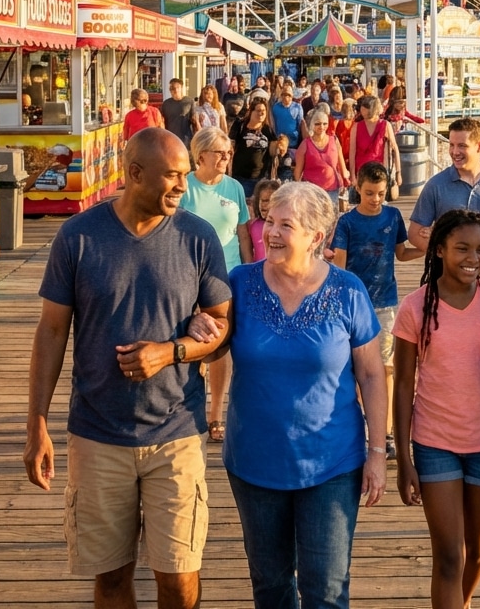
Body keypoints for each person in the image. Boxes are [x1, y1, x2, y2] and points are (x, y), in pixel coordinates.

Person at [23, 128, 233, 609]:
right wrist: (37, 425)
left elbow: (223, 327)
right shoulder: (78, 236)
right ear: (135, 174)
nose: (183, 186)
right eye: (173, 176)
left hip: (177, 432)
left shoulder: (197, 237)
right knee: (111, 578)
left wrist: (171, 351)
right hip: (97, 434)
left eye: (185, 175)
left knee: (179, 579)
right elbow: (51, 332)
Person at [190, 182, 387, 609]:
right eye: (270, 222)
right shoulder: (239, 284)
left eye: (286, 225)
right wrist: (198, 327)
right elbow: (214, 347)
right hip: (254, 462)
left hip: (331, 463)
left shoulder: (348, 290)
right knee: (271, 586)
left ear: (316, 237)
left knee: (326, 590)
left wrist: (377, 452)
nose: (271, 233)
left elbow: (372, 375)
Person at [393, 209, 480, 609]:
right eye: (462, 248)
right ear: (439, 250)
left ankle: (463, 602)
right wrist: (404, 460)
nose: (474, 258)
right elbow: (402, 385)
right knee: (450, 555)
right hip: (434, 443)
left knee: (478, 552)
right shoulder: (415, 307)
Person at [332, 161, 423, 458]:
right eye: (369, 193)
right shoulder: (346, 222)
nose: (375, 199)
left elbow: (402, 253)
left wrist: (430, 247)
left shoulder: (393, 216)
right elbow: (340, 267)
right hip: (354, 305)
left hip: (385, 303)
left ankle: (385, 432)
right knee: (351, 367)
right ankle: (356, 427)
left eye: (381, 193)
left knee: (385, 367)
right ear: (358, 188)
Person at [179, 127, 253, 446]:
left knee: (220, 344)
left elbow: (243, 234)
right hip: (189, 276)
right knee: (193, 341)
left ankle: (216, 413)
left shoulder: (234, 187)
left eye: (228, 153)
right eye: (220, 153)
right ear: (201, 155)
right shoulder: (185, 187)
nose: (225, 157)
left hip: (228, 275)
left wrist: (250, 272)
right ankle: (189, 407)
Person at [408, 118, 480, 282]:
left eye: (462, 146)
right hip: (447, 281)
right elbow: (414, 234)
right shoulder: (435, 185)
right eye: (451, 145)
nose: (455, 152)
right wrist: (440, 244)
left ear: (479, 146)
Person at [295, 105, 350, 206]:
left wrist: (345, 181)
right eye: (318, 124)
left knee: (331, 215)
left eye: (325, 123)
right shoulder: (305, 144)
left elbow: (342, 165)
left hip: (332, 189)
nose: (321, 127)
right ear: (312, 125)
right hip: (311, 191)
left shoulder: (334, 140)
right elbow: (297, 173)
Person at [349, 94, 401, 189]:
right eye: (362, 108)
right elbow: (352, 152)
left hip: (379, 172)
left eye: (365, 108)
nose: (362, 111)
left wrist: (398, 172)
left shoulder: (385, 125)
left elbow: (395, 148)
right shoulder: (356, 127)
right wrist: (352, 175)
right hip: (362, 172)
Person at [229, 97, 276, 198]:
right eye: (258, 110)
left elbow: (275, 151)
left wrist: (282, 143)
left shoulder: (267, 129)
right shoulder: (240, 126)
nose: (261, 113)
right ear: (251, 111)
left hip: (261, 178)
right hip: (242, 177)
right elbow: (230, 147)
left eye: (263, 111)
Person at [248, 178, 281, 260]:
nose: (263, 204)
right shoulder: (253, 226)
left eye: (267, 200)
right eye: (261, 200)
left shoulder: (282, 227)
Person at [161, 78, 197, 148]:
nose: (175, 90)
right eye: (172, 88)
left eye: (177, 87)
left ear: (181, 88)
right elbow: (162, 121)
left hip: (185, 139)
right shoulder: (166, 104)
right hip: (170, 138)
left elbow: (194, 120)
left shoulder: (189, 101)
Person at [270, 84, 305, 150]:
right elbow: (273, 123)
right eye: (284, 94)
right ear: (281, 95)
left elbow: (300, 124)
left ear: (292, 96)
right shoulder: (275, 107)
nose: (286, 97)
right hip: (280, 142)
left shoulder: (298, 107)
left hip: (293, 143)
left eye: (289, 95)